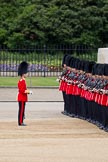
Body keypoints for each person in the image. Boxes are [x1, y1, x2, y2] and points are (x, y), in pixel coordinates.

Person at [17, 61, 32, 126]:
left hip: (22, 98)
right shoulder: (22, 81)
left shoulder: (22, 80)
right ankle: (20, 122)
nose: (27, 74)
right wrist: (29, 92)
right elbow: (23, 90)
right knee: (21, 110)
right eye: (26, 73)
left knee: (22, 110)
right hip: (22, 98)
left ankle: (21, 120)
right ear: (23, 74)